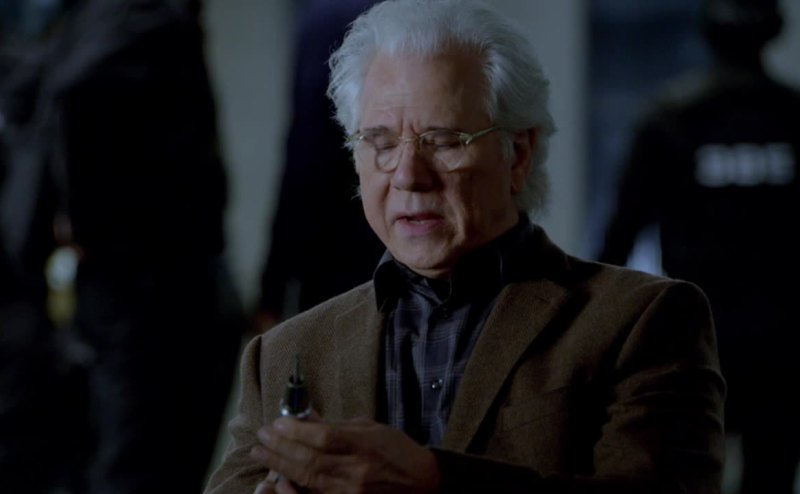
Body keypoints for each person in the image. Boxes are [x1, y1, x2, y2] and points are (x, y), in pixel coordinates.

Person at [205, 1, 726, 493]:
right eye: (381, 144)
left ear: (518, 154)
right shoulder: (284, 354)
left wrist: (436, 483)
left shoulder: (640, 322)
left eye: (444, 140)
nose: (408, 176)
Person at [1, 0, 246, 492]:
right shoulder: (138, 17)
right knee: (141, 457)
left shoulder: (108, 17)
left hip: (142, 282)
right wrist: (81, 218)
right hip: (147, 284)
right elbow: (71, 89)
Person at [597, 1, 800, 492]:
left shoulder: (672, 118)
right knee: (770, 475)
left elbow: (620, 235)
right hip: (784, 342)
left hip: (699, 336)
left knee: (689, 474)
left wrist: (597, 330)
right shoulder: (793, 118)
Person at [254, 0, 384, 332]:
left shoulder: (326, 21)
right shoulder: (424, 14)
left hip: (341, 261)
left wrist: (272, 290)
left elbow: (305, 161)